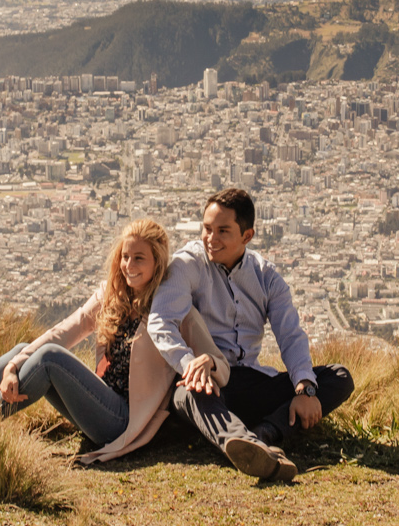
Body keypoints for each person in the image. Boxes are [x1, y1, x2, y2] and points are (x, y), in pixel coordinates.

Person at [0, 218, 224, 461]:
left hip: (123, 423)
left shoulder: (173, 309)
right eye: (125, 256)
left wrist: (206, 361)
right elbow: (64, 331)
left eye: (139, 258)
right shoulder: (111, 296)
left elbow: (220, 364)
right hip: (97, 401)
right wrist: (13, 366)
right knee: (24, 351)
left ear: (157, 262)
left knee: (49, 358)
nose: (129, 265)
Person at [147, 187, 354, 481]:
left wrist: (305, 388)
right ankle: (253, 446)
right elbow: (160, 322)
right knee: (189, 392)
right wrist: (188, 364)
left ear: (247, 236)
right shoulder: (188, 264)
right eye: (207, 229)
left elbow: (290, 336)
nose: (211, 238)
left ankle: (263, 433)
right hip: (210, 381)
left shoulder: (266, 276)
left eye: (223, 231)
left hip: (252, 381)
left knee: (338, 377)